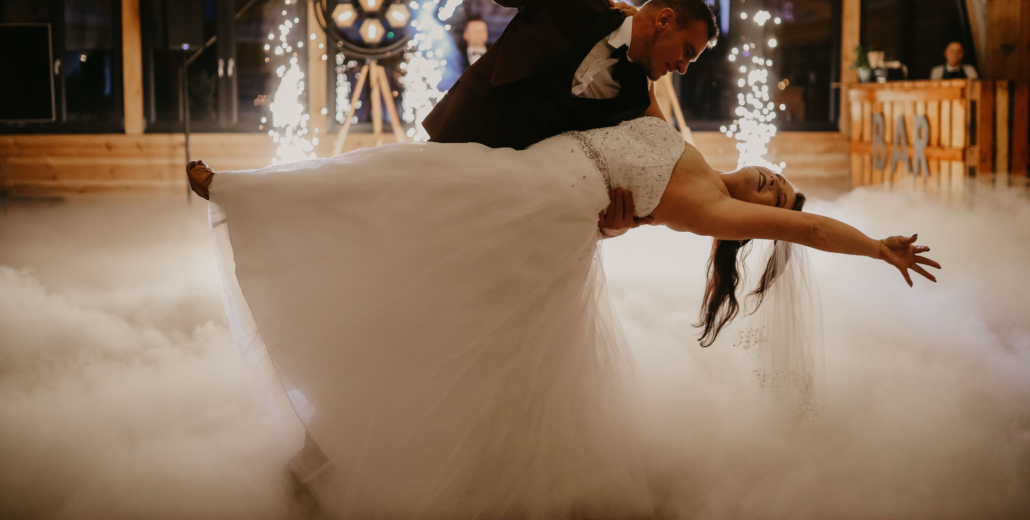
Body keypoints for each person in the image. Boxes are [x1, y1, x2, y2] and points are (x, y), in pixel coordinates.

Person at [185, 115, 938, 518]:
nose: (775, 183)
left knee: (429, 298)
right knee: (400, 181)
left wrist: (876, 247)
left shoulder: (715, 208)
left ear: (756, 219)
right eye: (780, 182)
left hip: (529, 218)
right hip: (528, 180)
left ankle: (338, 452)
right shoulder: (695, 155)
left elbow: (811, 230)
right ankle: (247, 194)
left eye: (776, 197)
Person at [373, 0, 718, 150]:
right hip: (461, 138)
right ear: (664, 20)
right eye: (688, 51)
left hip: (522, 197)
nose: (684, 67)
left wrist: (615, 225)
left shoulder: (636, 98)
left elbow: (666, 156)